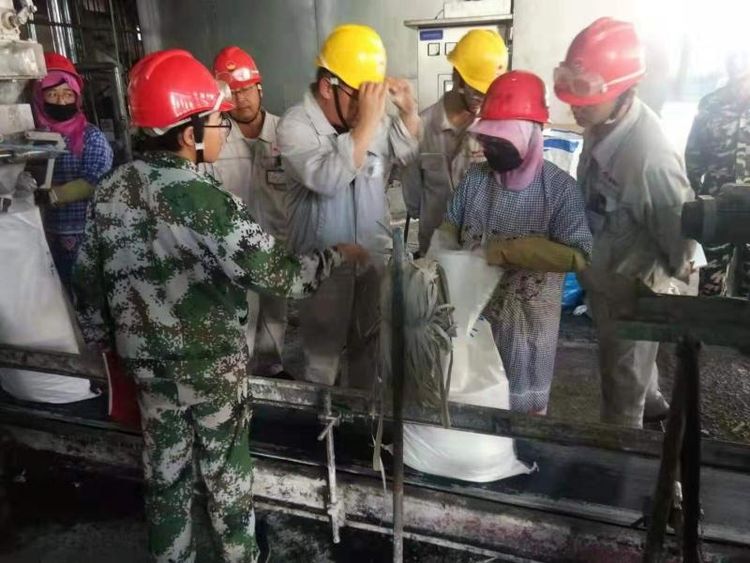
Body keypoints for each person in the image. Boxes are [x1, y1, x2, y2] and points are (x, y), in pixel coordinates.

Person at [71, 49, 367, 563]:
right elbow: (281, 276)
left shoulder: (111, 190)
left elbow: (86, 281)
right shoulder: (208, 202)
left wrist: (104, 341)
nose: (223, 130)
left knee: (165, 475)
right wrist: (336, 255)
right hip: (210, 369)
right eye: (216, 121)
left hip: (146, 367)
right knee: (226, 475)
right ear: (189, 134)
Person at [554, 18, 695, 428]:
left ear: (621, 90)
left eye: (584, 97)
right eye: (571, 94)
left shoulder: (649, 157)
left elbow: (680, 239)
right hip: (607, 276)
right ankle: (651, 405)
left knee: (621, 388)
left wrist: (664, 288)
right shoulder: (601, 125)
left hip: (633, 291)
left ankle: (623, 454)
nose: (574, 106)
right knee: (633, 369)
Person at [436, 71, 593, 414]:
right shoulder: (475, 181)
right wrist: (438, 254)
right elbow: (449, 226)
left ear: (532, 134)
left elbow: (580, 255)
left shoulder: (559, 191)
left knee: (523, 415)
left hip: (528, 327)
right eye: (488, 140)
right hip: (474, 323)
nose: (489, 149)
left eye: (501, 141)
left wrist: (512, 250)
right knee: (472, 402)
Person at [277, 24, 420, 389]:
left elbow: (404, 152)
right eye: (361, 95)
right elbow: (327, 178)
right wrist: (368, 123)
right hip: (323, 266)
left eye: (374, 95)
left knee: (367, 351)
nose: (371, 106)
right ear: (328, 87)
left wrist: (408, 113)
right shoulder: (295, 126)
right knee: (321, 359)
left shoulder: (367, 118)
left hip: (371, 259)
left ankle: (361, 418)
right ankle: (322, 422)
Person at [207, 45, 291, 378]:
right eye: (233, 93)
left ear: (260, 88)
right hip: (233, 253)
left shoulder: (286, 134)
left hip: (277, 247)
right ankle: (238, 380)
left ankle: (272, 371)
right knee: (239, 321)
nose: (241, 99)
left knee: (275, 317)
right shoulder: (214, 139)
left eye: (246, 90)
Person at [402, 29, 508, 256]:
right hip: (434, 248)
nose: (482, 102)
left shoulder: (495, 130)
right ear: (457, 76)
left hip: (478, 253)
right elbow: (412, 197)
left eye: (489, 95)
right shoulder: (422, 126)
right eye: (477, 93)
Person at [32, 52, 113, 292]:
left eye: (68, 94)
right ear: (39, 97)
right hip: (41, 235)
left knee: (82, 296)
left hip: (82, 236)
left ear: (77, 98)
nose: (61, 101)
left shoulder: (91, 137)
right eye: (52, 94)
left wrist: (50, 196)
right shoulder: (31, 137)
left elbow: (95, 181)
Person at [685, 50, 750, 298]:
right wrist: (691, 199)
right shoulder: (711, 104)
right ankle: (706, 323)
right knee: (710, 286)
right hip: (716, 208)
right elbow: (693, 157)